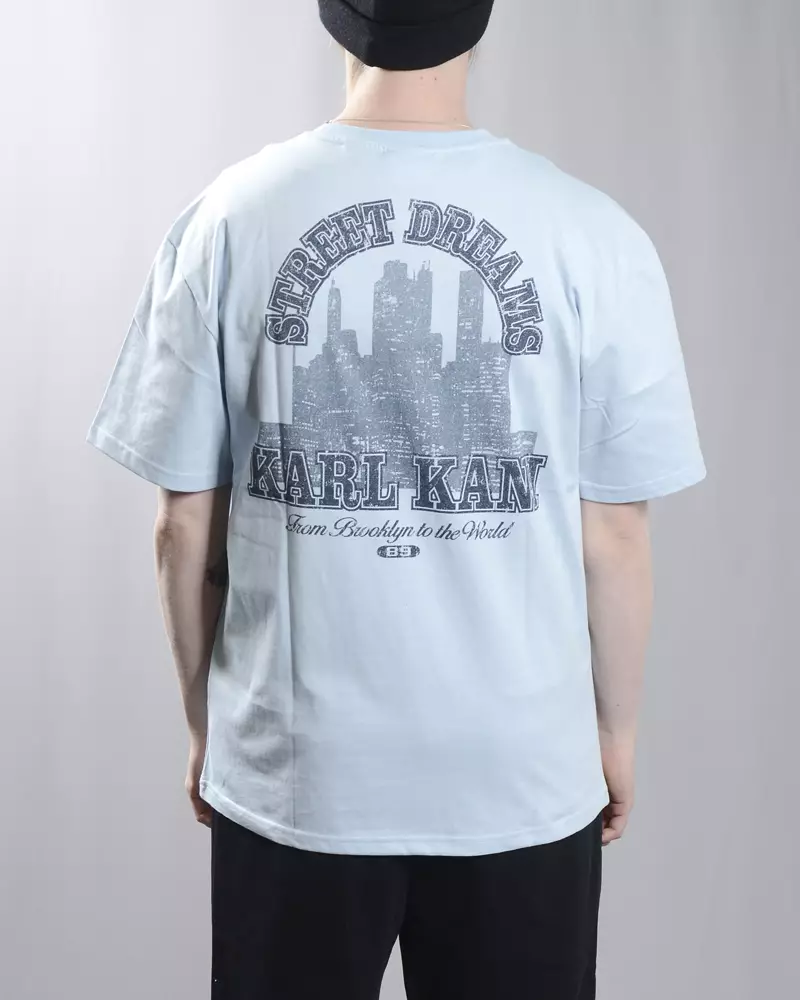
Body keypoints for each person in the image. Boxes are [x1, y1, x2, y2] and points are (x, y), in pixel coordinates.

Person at [85, 1, 706, 997]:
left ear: (334, 19)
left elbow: (183, 525)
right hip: (518, 776)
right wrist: (614, 734)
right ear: (478, 20)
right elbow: (616, 534)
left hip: (296, 773)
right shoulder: (595, 235)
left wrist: (207, 723)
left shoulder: (229, 219)